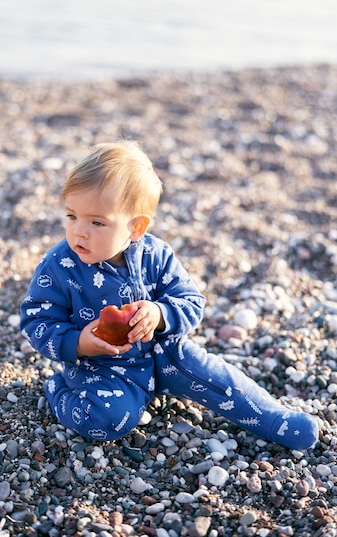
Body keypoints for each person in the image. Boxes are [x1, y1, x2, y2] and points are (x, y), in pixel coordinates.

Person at [20, 141, 319, 450]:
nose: (79, 231)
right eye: (72, 216)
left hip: (166, 354)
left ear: (136, 227)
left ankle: (274, 418)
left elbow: (192, 302)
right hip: (103, 368)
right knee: (108, 421)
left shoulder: (156, 255)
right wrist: (79, 342)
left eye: (97, 222)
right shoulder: (58, 265)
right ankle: (58, 390)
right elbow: (36, 320)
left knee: (220, 379)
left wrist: (160, 314)